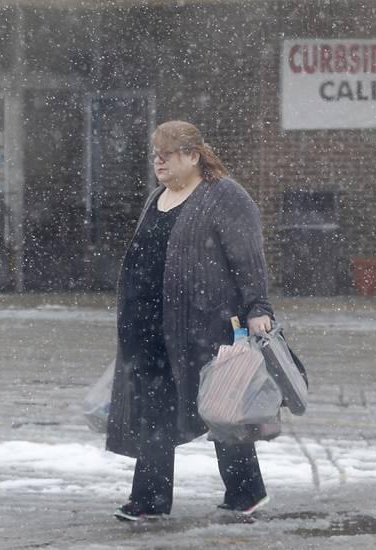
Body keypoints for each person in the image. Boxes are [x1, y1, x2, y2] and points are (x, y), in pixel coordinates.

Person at [106, 120, 274, 521]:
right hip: (150, 327)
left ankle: (245, 492)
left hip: (206, 322)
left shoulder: (224, 196)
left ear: (193, 156)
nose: (158, 161)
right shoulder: (156, 198)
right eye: (155, 154)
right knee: (154, 410)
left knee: (221, 406)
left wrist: (258, 308)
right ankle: (149, 501)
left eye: (168, 153)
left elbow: (248, 257)